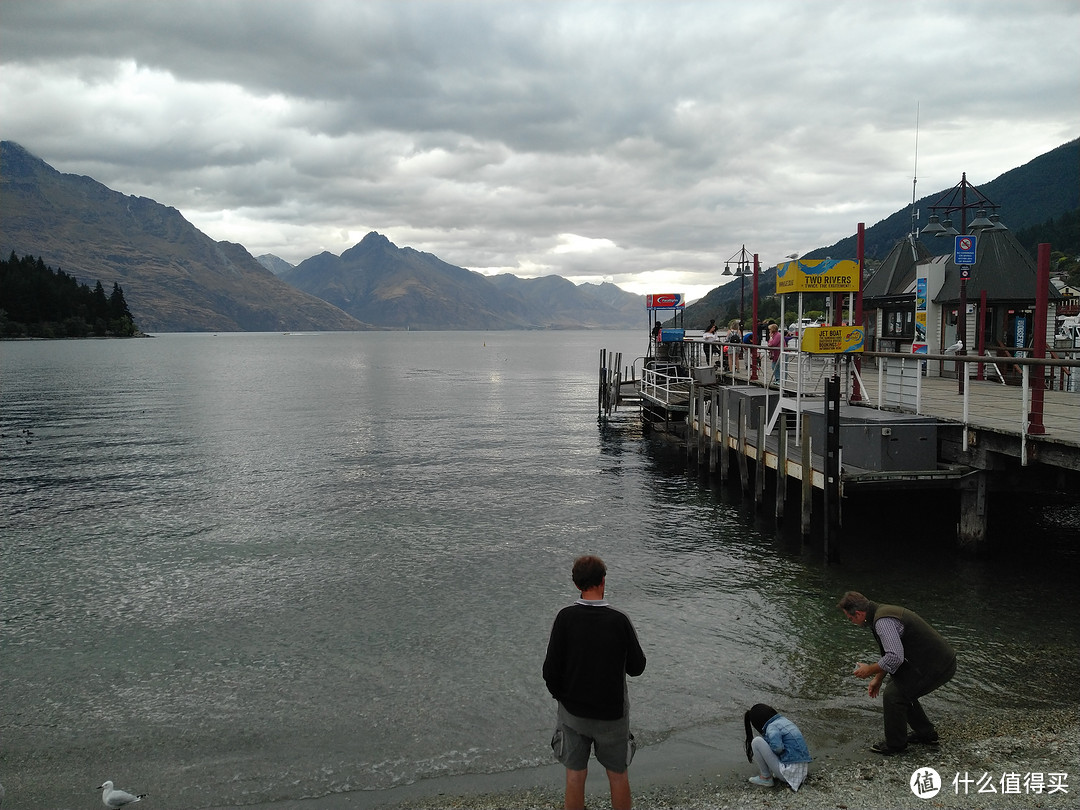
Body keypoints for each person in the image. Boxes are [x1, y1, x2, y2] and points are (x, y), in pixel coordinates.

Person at [543, 556, 646, 810]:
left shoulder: (565, 618)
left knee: (575, 774)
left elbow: (550, 671)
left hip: (573, 713)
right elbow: (637, 667)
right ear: (603, 581)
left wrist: (562, 697)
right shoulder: (619, 620)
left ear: (577, 584)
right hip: (612, 714)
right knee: (618, 774)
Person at [838, 591, 957, 754]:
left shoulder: (882, 622)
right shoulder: (881, 613)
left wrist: (870, 670)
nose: (852, 622)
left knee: (894, 696)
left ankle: (896, 745)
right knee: (898, 686)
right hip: (934, 660)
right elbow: (891, 654)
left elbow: (894, 657)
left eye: (850, 619)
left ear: (858, 613)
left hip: (939, 665)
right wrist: (878, 678)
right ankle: (926, 734)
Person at [743, 703, 811, 791]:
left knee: (757, 741)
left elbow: (778, 749)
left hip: (789, 773)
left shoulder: (772, 727)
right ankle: (775, 773)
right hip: (801, 771)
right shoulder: (784, 721)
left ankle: (765, 777)